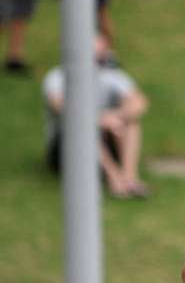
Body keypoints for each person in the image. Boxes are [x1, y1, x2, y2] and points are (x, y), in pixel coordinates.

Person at [43, 34, 150, 198]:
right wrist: (100, 121)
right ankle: (114, 180)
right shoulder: (58, 77)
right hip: (66, 150)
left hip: (107, 137)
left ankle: (129, 178)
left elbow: (139, 102)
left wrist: (115, 116)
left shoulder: (111, 75)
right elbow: (62, 108)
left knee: (131, 123)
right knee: (82, 128)